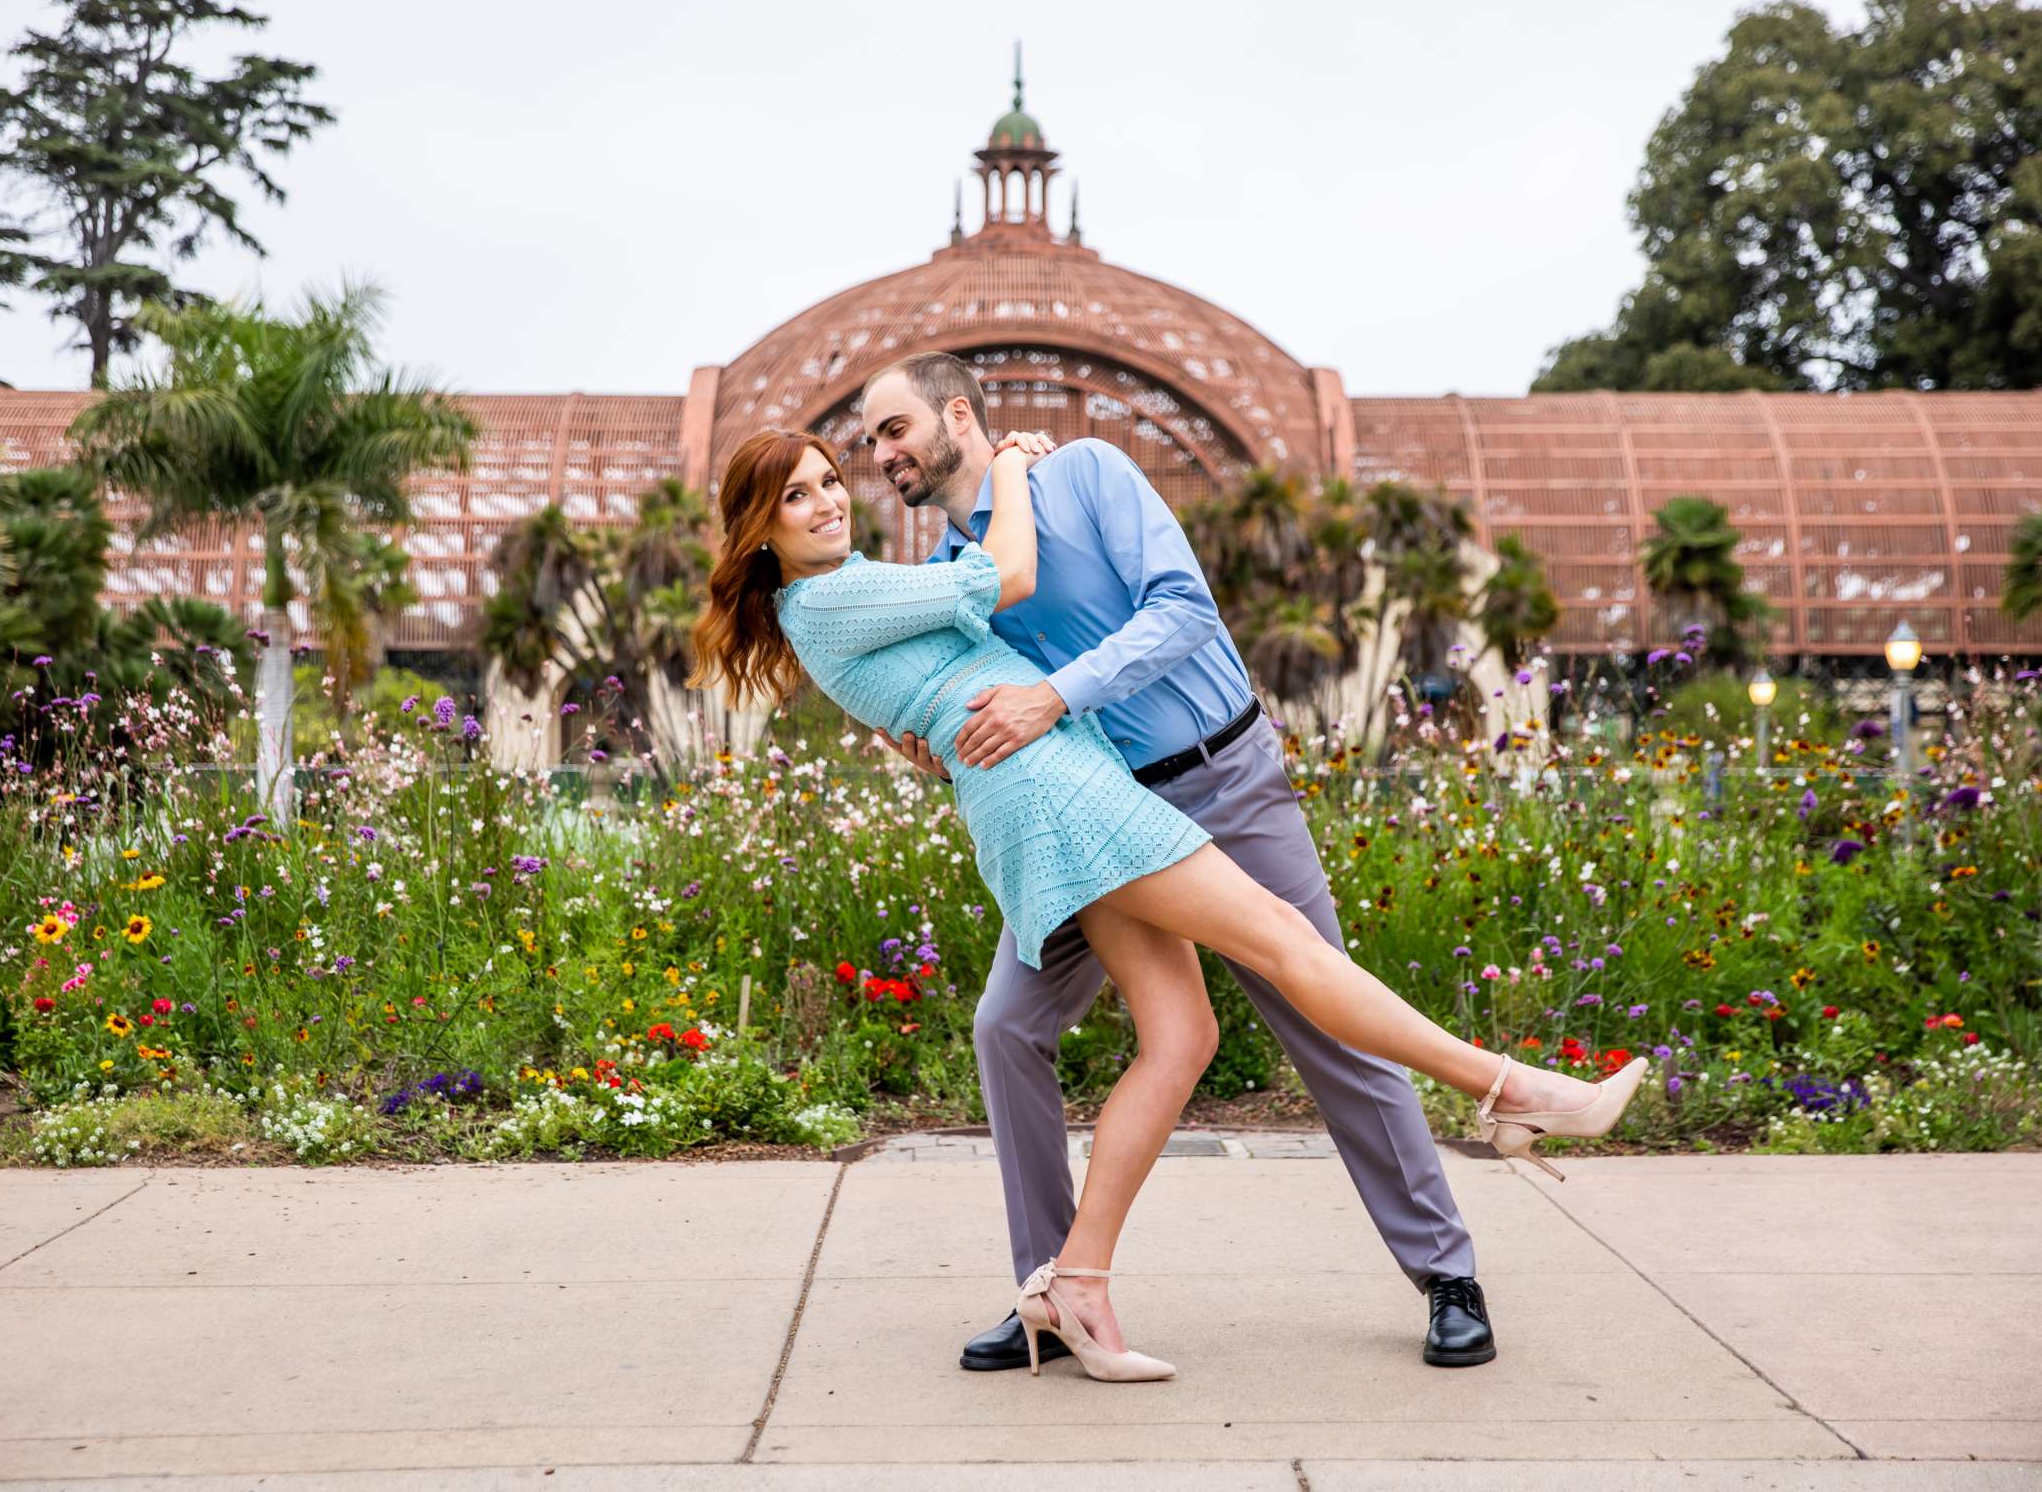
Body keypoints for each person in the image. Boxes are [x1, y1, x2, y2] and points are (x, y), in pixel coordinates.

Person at [689, 414, 1646, 1383]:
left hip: (1202, 772)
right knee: (1020, 1026)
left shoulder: (1089, 474)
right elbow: (978, 616)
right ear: (764, 530)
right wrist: (934, 707)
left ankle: (1440, 1268)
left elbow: (1177, 611)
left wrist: (1012, 692)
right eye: (804, 488)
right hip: (1075, 795)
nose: (861, 472)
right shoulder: (927, 562)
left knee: (1232, 1022)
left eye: (880, 438)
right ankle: (1059, 1286)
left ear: (958, 420)